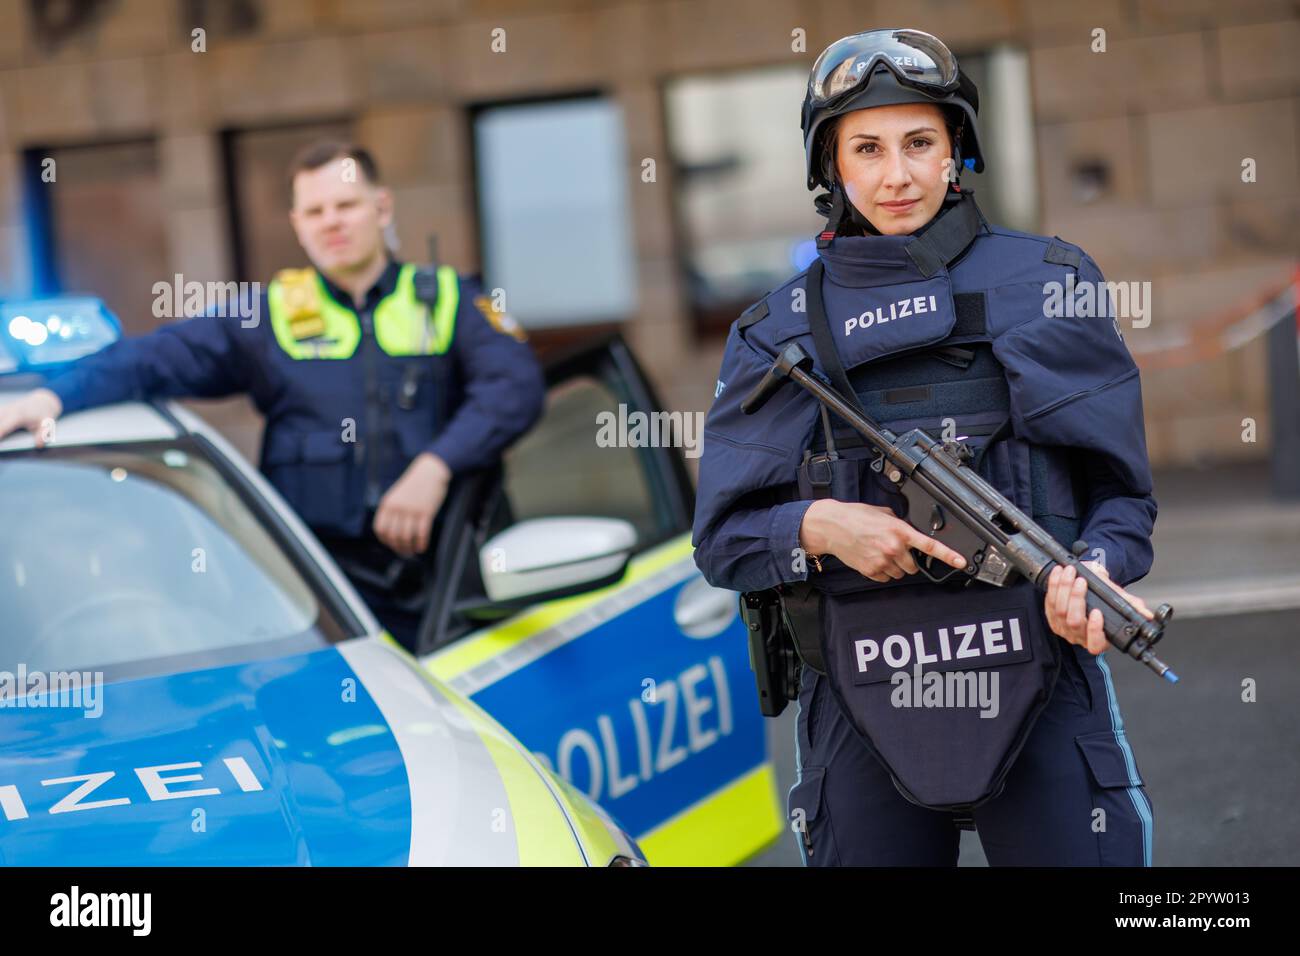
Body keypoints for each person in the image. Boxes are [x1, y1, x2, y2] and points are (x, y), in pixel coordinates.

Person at [693, 29, 1160, 865]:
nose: (896, 175)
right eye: (866, 148)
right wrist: (820, 529)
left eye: (919, 143)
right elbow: (722, 541)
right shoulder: (774, 334)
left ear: (956, 153)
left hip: (1040, 677)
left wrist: (1095, 566)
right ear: (832, 166)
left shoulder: (1043, 282)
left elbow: (1124, 501)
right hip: (861, 693)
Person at [0, 140, 546, 649]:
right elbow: (153, 360)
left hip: (449, 590)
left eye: (346, 205)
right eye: (315, 211)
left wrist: (435, 467)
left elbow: (516, 387)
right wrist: (50, 398)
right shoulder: (271, 314)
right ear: (297, 225)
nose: (331, 221)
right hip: (321, 602)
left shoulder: (447, 300)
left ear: (381, 208)